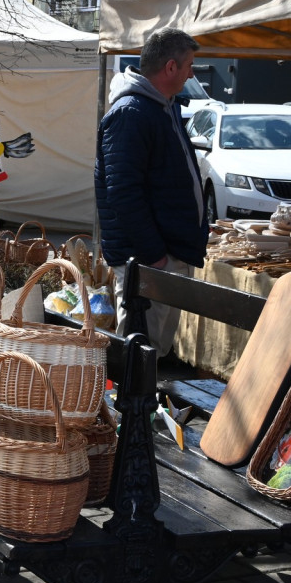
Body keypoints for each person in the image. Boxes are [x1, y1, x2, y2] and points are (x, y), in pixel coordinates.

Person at [94, 27, 207, 356]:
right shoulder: (132, 113)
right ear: (170, 67)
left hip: (161, 259)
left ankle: (142, 409)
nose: (191, 74)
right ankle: (124, 410)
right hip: (145, 262)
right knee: (138, 356)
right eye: (189, 66)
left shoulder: (161, 107)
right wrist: (154, 256)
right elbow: (123, 193)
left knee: (152, 354)